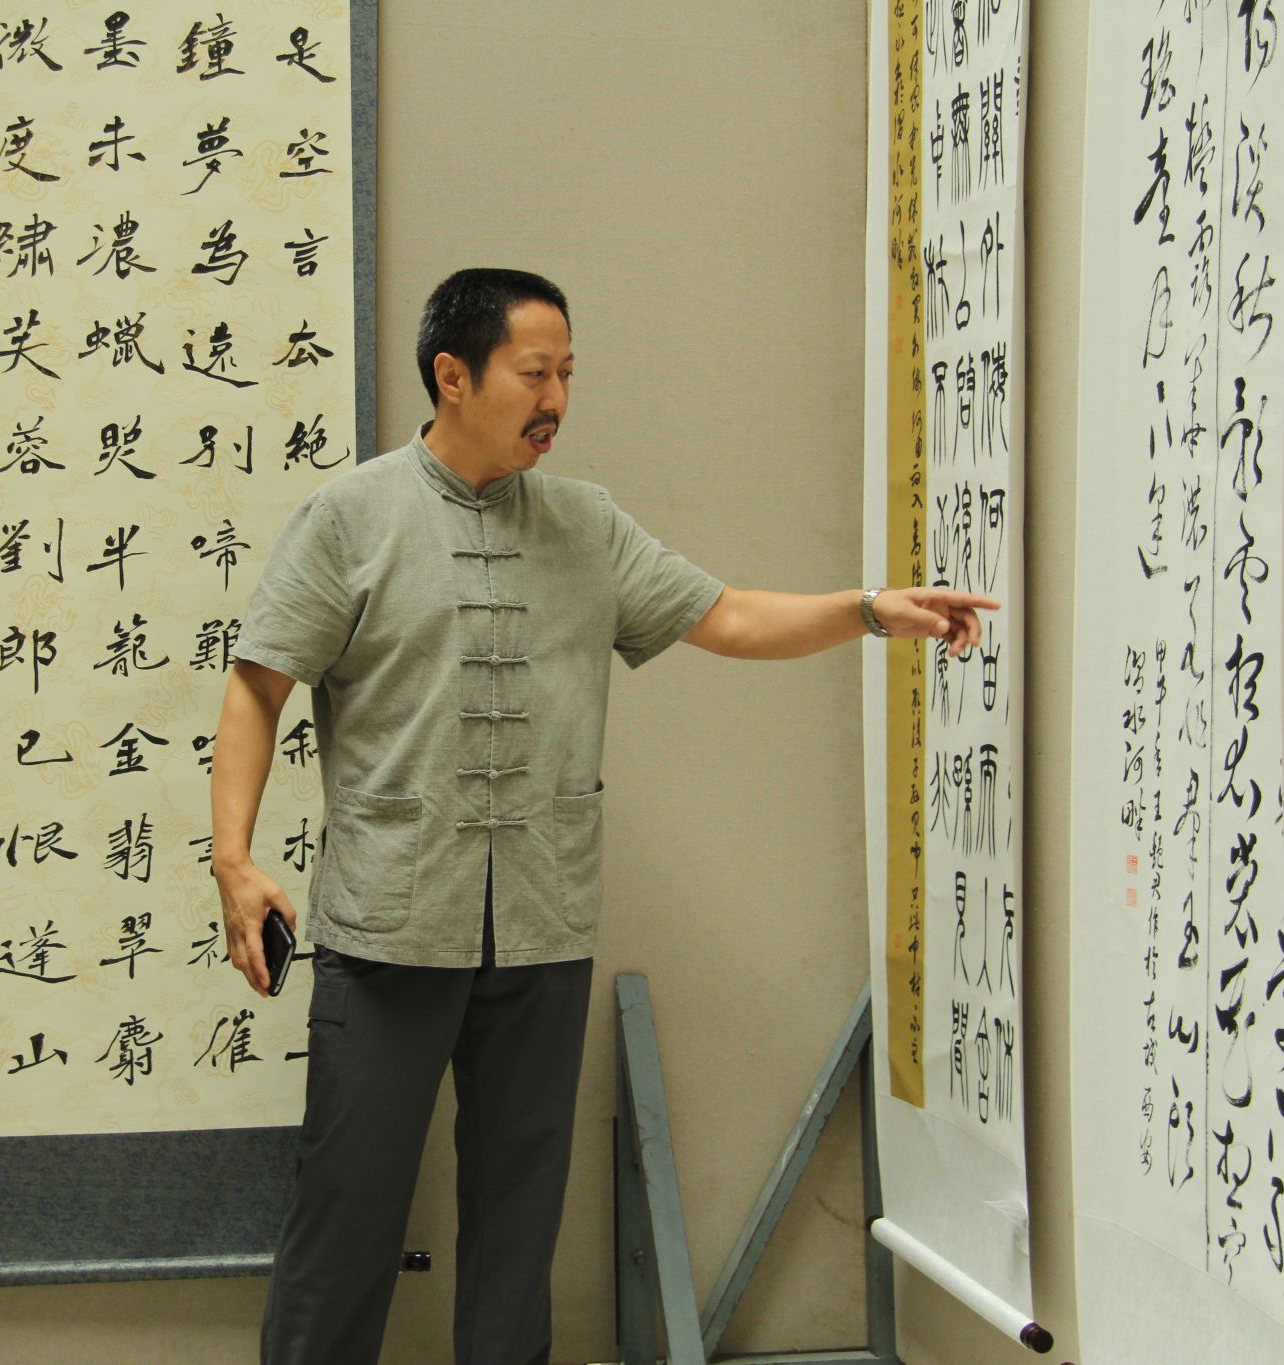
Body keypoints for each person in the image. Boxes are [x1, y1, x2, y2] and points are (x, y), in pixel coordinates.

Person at [213, 268, 997, 1365]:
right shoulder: (351, 517)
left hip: (542, 923)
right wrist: (233, 858)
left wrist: (869, 611)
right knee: (347, 1215)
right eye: (534, 373)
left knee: (518, 1221)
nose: (557, 401)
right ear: (452, 375)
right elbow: (258, 682)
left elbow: (727, 616)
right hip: (388, 923)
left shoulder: (586, 523)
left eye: (568, 375)